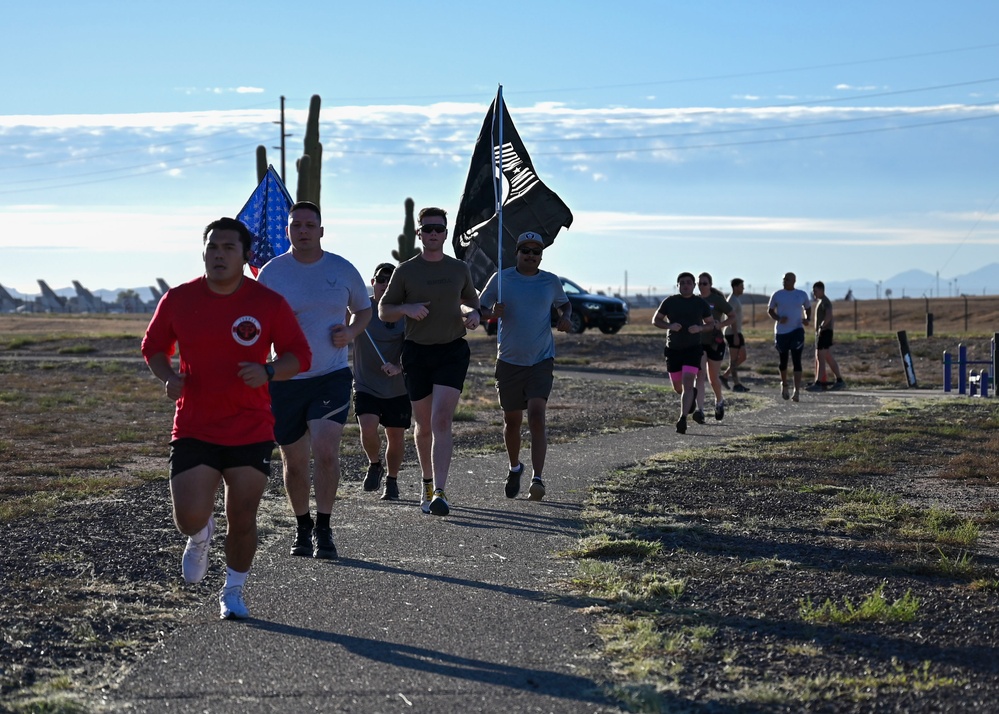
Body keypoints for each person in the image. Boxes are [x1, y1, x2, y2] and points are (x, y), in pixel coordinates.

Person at [141, 217, 312, 620]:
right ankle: (200, 536)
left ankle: (233, 591)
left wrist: (269, 371)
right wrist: (169, 378)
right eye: (212, 247)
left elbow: (298, 356)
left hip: (249, 426)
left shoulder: (267, 303)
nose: (219, 254)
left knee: (243, 515)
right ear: (203, 252)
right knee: (188, 516)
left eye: (228, 248)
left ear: (244, 255)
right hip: (196, 424)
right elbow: (153, 348)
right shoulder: (179, 299)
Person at [257, 201, 371, 560]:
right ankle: (302, 525)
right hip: (286, 378)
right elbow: (257, 325)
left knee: (325, 450)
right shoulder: (272, 274)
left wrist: (351, 331)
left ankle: (324, 526)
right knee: (293, 461)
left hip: (331, 375)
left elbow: (364, 308)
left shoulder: (341, 269)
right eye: (296, 225)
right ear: (287, 231)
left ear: (321, 230)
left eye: (309, 225)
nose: (303, 230)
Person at [378, 207, 481, 516]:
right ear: (419, 233)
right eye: (428, 229)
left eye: (439, 228)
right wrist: (406, 309)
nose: (433, 233)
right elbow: (384, 310)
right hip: (417, 352)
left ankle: (440, 491)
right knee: (423, 426)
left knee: (441, 421)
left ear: (446, 233)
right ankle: (426, 482)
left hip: (451, 350)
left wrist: (473, 314)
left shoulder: (459, 268)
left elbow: (471, 302)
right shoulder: (405, 270)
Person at [478, 231, 571, 501]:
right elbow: (479, 309)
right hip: (508, 360)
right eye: (526, 250)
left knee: (537, 416)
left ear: (542, 255)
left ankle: (538, 478)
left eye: (536, 251)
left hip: (541, 359)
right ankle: (515, 467)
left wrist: (565, 318)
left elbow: (565, 306)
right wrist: (491, 313)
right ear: (517, 252)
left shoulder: (550, 281)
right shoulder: (502, 278)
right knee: (512, 419)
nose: (531, 255)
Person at [352, 262, 411, 500]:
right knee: (367, 427)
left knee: (395, 437)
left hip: (397, 387)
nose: (385, 284)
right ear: (373, 281)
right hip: (365, 383)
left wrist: (399, 367)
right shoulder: (359, 308)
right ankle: (374, 464)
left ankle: (392, 480)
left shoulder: (405, 314)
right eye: (381, 279)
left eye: (391, 280)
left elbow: (414, 348)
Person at [653, 272, 713, 434]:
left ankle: (682, 419)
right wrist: (669, 326)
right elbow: (656, 320)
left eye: (688, 282)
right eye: (682, 283)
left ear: (694, 285)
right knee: (678, 388)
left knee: (688, 383)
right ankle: (691, 396)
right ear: (678, 285)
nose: (685, 285)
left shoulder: (700, 303)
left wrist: (700, 328)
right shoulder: (670, 301)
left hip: (693, 349)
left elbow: (711, 324)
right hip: (673, 349)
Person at [695, 272, 734, 422]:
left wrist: (721, 324)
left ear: (710, 285)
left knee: (713, 378)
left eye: (704, 283)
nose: (701, 286)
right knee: (700, 375)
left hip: (715, 342)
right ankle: (700, 411)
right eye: (699, 284)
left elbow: (732, 315)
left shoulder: (716, 300)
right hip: (699, 343)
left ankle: (719, 401)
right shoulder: (695, 300)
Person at [767, 272, 811, 402]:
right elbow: (770, 310)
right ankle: (784, 384)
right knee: (783, 360)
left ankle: (796, 390)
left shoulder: (801, 294)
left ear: (794, 281)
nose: (784, 281)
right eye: (783, 279)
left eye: (787, 279)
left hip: (797, 330)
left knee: (797, 360)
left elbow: (808, 307)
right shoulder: (777, 295)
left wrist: (807, 319)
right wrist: (779, 318)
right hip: (781, 332)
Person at [807, 281, 846, 391]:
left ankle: (819, 383)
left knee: (821, 357)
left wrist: (822, 326)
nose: (814, 293)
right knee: (827, 357)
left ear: (821, 290)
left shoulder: (825, 302)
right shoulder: (821, 302)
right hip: (824, 332)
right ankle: (839, 380)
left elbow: (829, 314)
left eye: (815, 291)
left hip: (824, 332)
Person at [721, 278, 750, 392]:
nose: (743, 289)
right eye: (741, 286)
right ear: (735, 287)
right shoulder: (732, 300)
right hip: (732, 332)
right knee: (733, 360)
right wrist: (735, 334)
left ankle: (725, 376)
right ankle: (736, 384)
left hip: (737, 332)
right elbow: (731, 318)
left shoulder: (736, 299)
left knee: (742, 357)